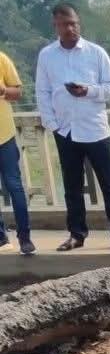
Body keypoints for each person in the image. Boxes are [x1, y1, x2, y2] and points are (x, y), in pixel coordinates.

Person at [36, 3, 110, 251]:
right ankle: (76, 234)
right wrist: (52, 123)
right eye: (65, 24)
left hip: (95, 128)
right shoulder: (47, 55)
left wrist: (87, 91)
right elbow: (42, 92)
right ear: (56, 25)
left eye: (74, 23)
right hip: (65, 129)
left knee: (109, 183)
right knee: (72, 186)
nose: (70, 28)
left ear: (79, 23)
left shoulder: (96, 53)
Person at [0, 51, 33, 255]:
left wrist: (3, 90)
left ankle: (25, 238)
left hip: (4, 135)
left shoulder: (1, 59)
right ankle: (1, 237)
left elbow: (17, 92)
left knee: (14, 187)